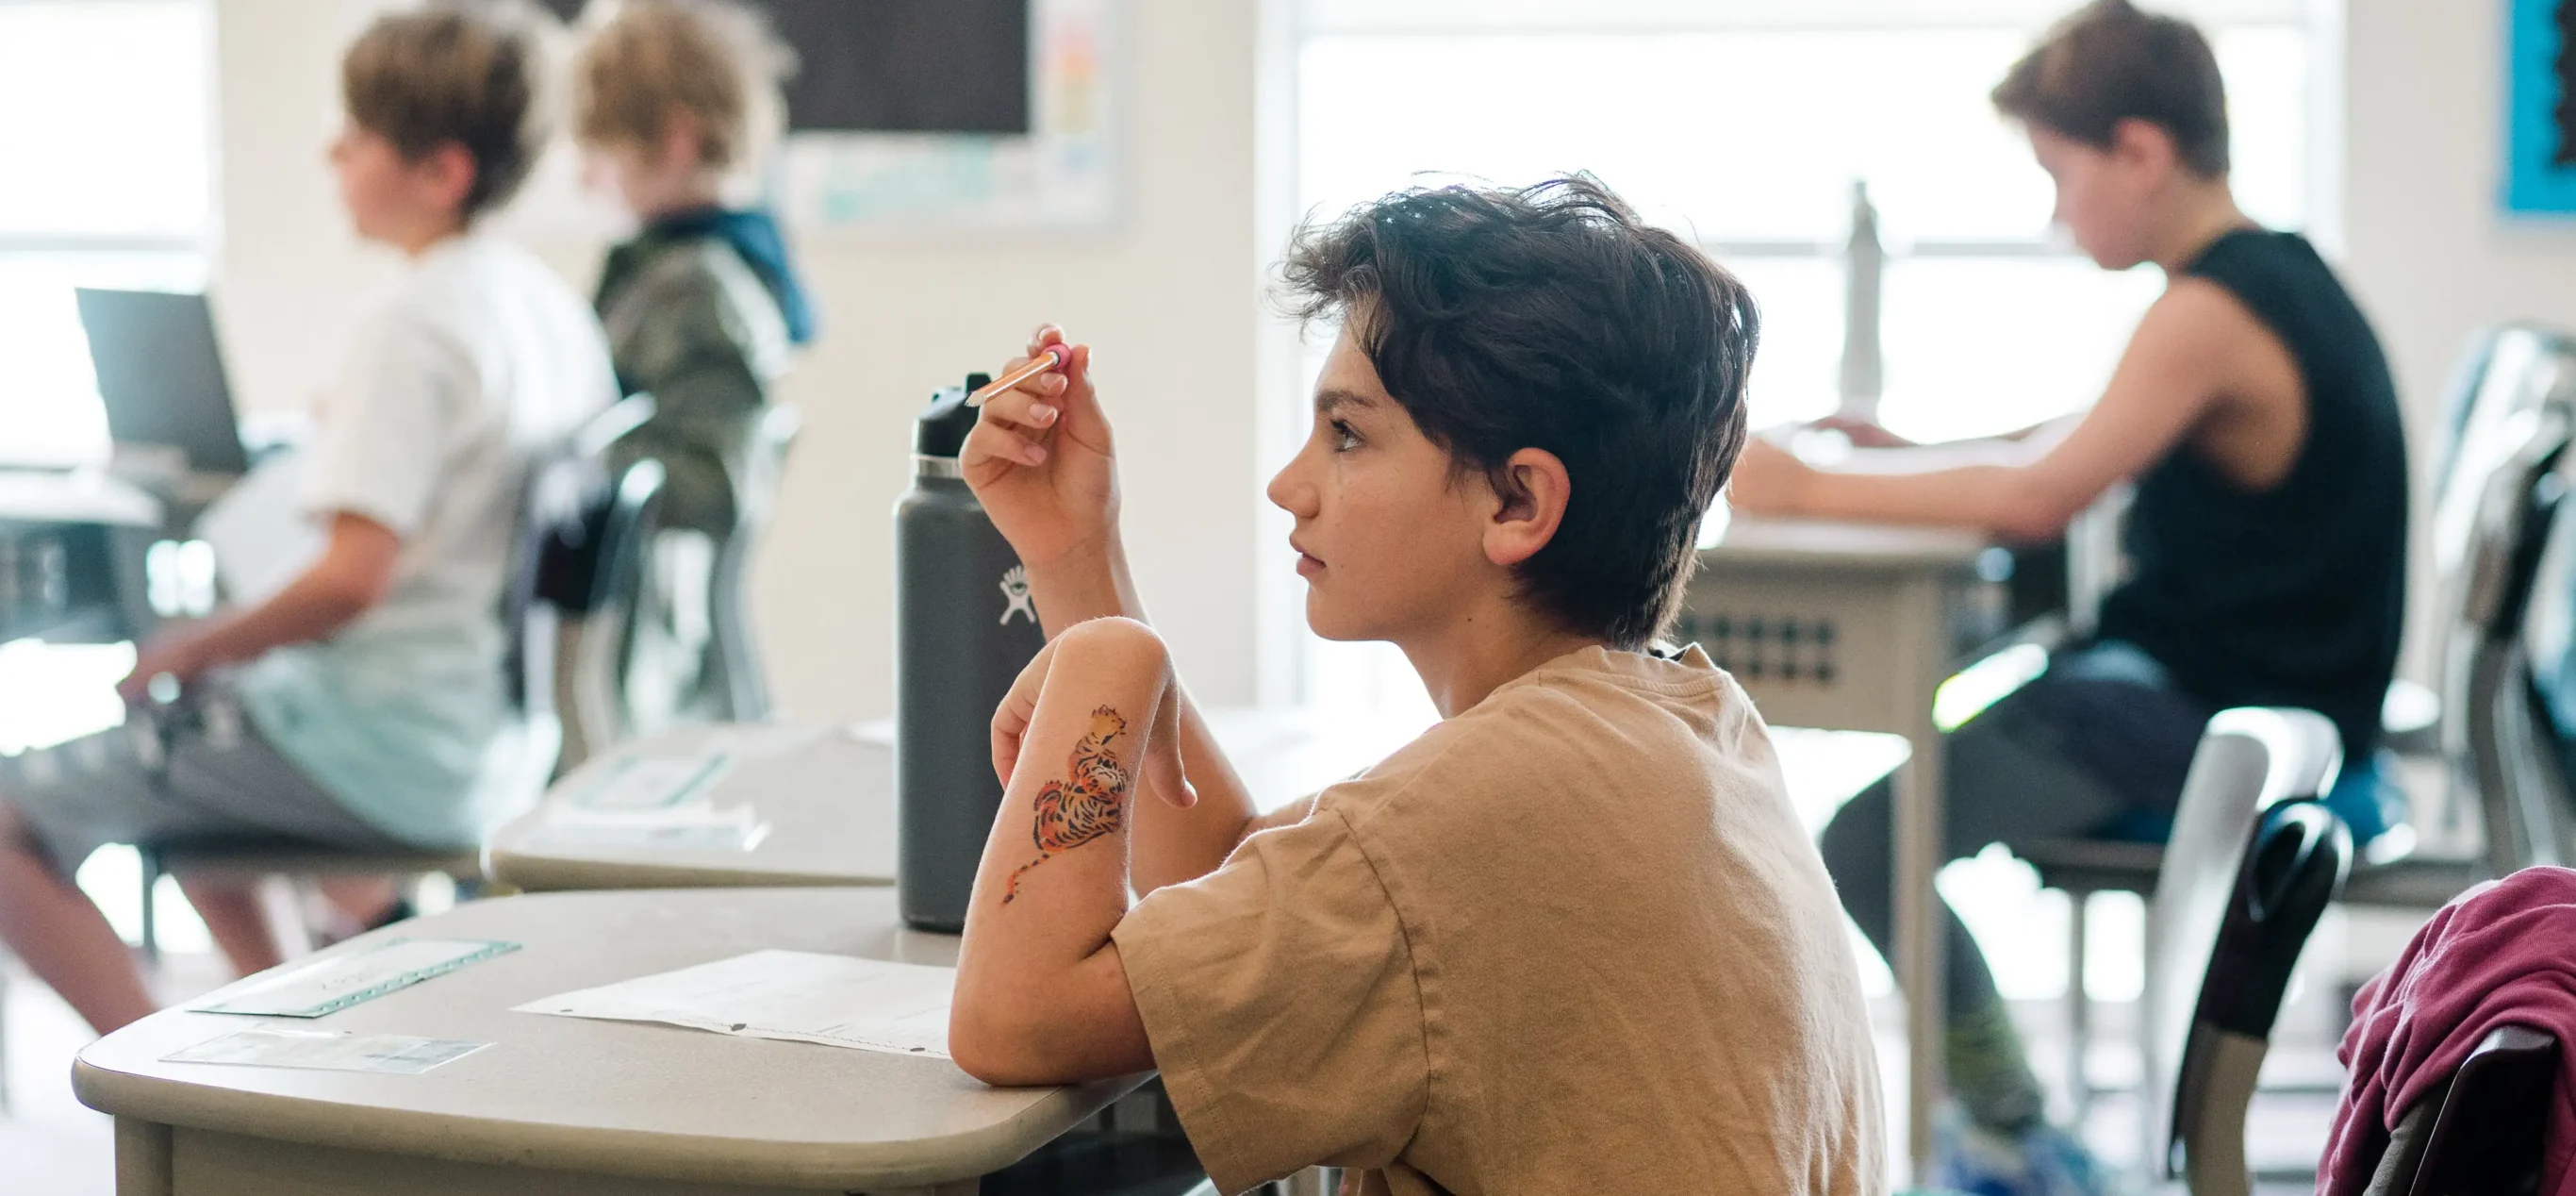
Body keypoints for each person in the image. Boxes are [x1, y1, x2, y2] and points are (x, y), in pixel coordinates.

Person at [945, 178, 1885, 1195]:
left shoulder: (1488, 811)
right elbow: (1227, 876)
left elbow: (1015, 1016)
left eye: (1345, 434)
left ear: (1518, 500)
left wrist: (1108, 660)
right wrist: (1076, 552)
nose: (1287, 484)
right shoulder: (1680, 727)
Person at [1727, 2, 2407, 1191]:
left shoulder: (2210, 309)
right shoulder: (2269, 278)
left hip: (2218, 715)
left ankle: (2005, 1125)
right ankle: (2002, 1115)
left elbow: (2041, 494)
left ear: (2137, 151)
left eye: (2058, 172)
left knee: (1867, 835)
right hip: (2253, 694)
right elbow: (2074, 437)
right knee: (1922, 784)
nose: (2054, 212)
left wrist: (1805, 488)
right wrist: (1894, 451)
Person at [0, 1, 616, 1034]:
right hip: (483, 736)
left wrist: (189, 646)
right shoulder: (540, 305)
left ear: (441, 172)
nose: (333, 149)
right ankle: (290, 1051)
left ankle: (162, 1093)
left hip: (381, 747)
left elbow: (349, 580)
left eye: (360, 132)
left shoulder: (412, 322)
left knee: (34, 796)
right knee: (198, 791)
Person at [567, 0, 814, 726]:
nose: (587, 182)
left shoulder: (696, 288)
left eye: (600, 154)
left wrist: (579, 463)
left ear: (673, 141)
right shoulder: (704, 270)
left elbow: (710, 484)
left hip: (650, 653)